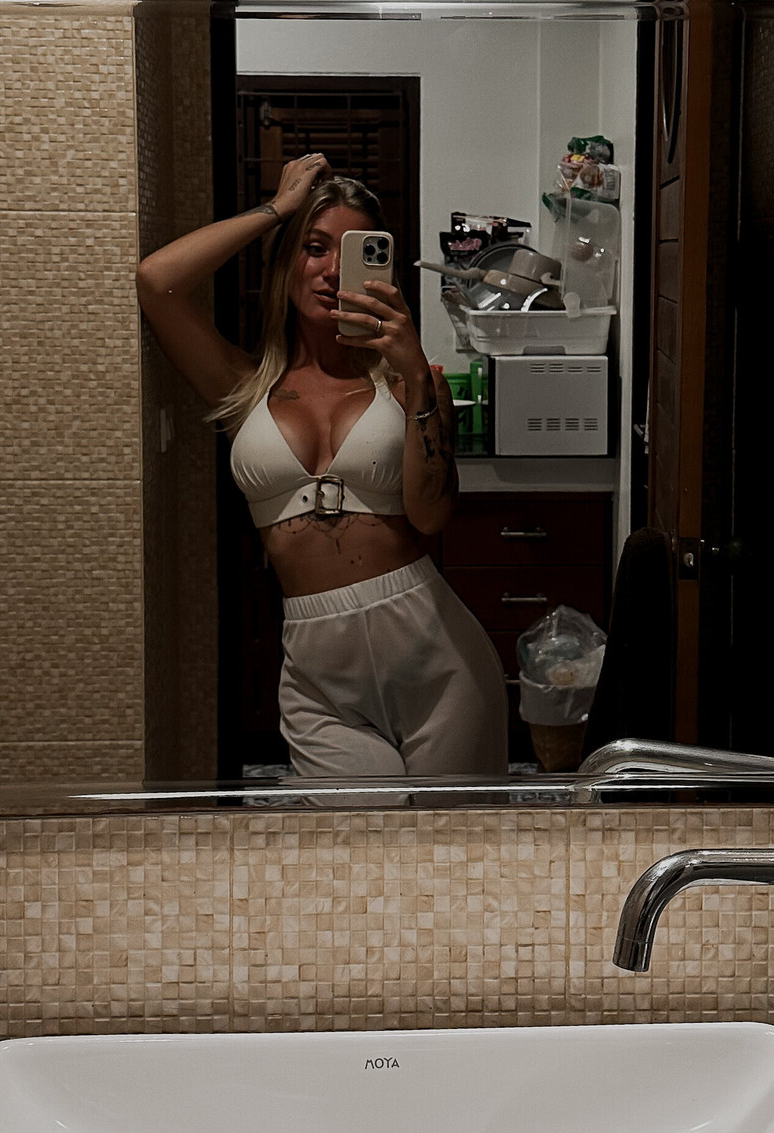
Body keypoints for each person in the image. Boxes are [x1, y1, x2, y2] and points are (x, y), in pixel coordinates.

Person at [135, 151, 509, 780]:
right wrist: (276, 209)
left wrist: (418, 378)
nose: (333, 270)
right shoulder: (245, 386)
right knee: (352, 839)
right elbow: (156, 282)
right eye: (313, 248)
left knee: (452, 839)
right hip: (318, 678)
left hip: (438, 661)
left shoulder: (409, 383)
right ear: (285, 262)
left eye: (354, 253)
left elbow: (430, 514)